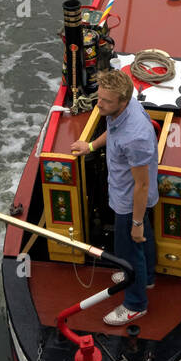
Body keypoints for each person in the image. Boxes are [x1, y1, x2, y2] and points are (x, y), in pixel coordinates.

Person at [71, 67, 158, 325]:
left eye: (105, 101)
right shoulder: (123, 106)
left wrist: (136, 223)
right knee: (142, 243)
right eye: (99, 97)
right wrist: (91, 146)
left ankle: (135, 304)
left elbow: (141, 186)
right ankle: (148, 278)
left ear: (122, 100)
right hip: (127, 195)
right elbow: (113, 131)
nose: (99, 104)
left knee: (129, 253)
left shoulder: (135, 137)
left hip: (130, 203)